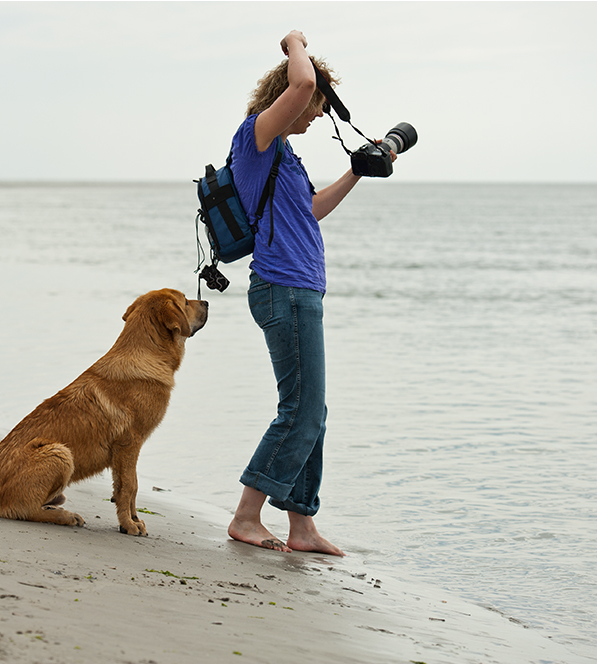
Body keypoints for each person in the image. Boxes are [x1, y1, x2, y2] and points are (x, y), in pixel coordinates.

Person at [226, 30, 395, 557]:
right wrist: (295, 41)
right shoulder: (256, 137)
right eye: (316, 105)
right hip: (283, 288)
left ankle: (301, 526)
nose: (317, 115)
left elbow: (311, 210)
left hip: (300, 290)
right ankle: (246, 516)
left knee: (311, 410)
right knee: (302, 409)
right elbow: (301, 80)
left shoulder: (285, 157)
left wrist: (357, 171)